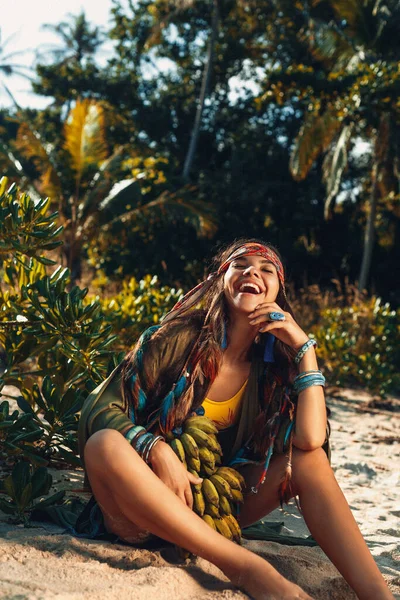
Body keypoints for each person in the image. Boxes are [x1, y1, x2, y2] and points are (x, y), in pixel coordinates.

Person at [77, 239, 394, 600]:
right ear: (220, 279)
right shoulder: (175, 340)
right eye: (239, 264)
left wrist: (305, 350)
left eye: (266, 269)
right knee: (104, 444)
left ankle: (378, 596)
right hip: (141, 506)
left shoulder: (275, 369)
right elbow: (98, 409)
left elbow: (309, 440)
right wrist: (157, 451)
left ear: (277, 291)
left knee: (309, 460)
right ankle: (248, 568)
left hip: (215, 508)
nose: (251, 272)